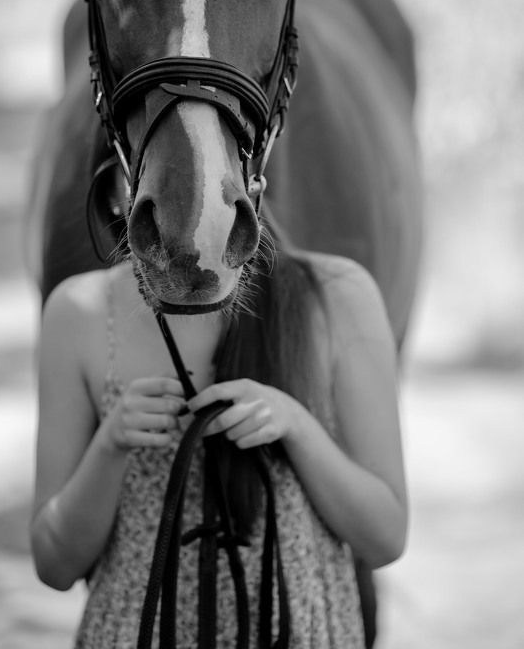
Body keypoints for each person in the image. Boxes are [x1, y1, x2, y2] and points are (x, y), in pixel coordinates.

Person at [30, 250, 408, 648]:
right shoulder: (79, 311)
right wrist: (109, 446)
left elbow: (385, 538)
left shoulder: (336, 294)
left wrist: (297, 425)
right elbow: (54, 566)